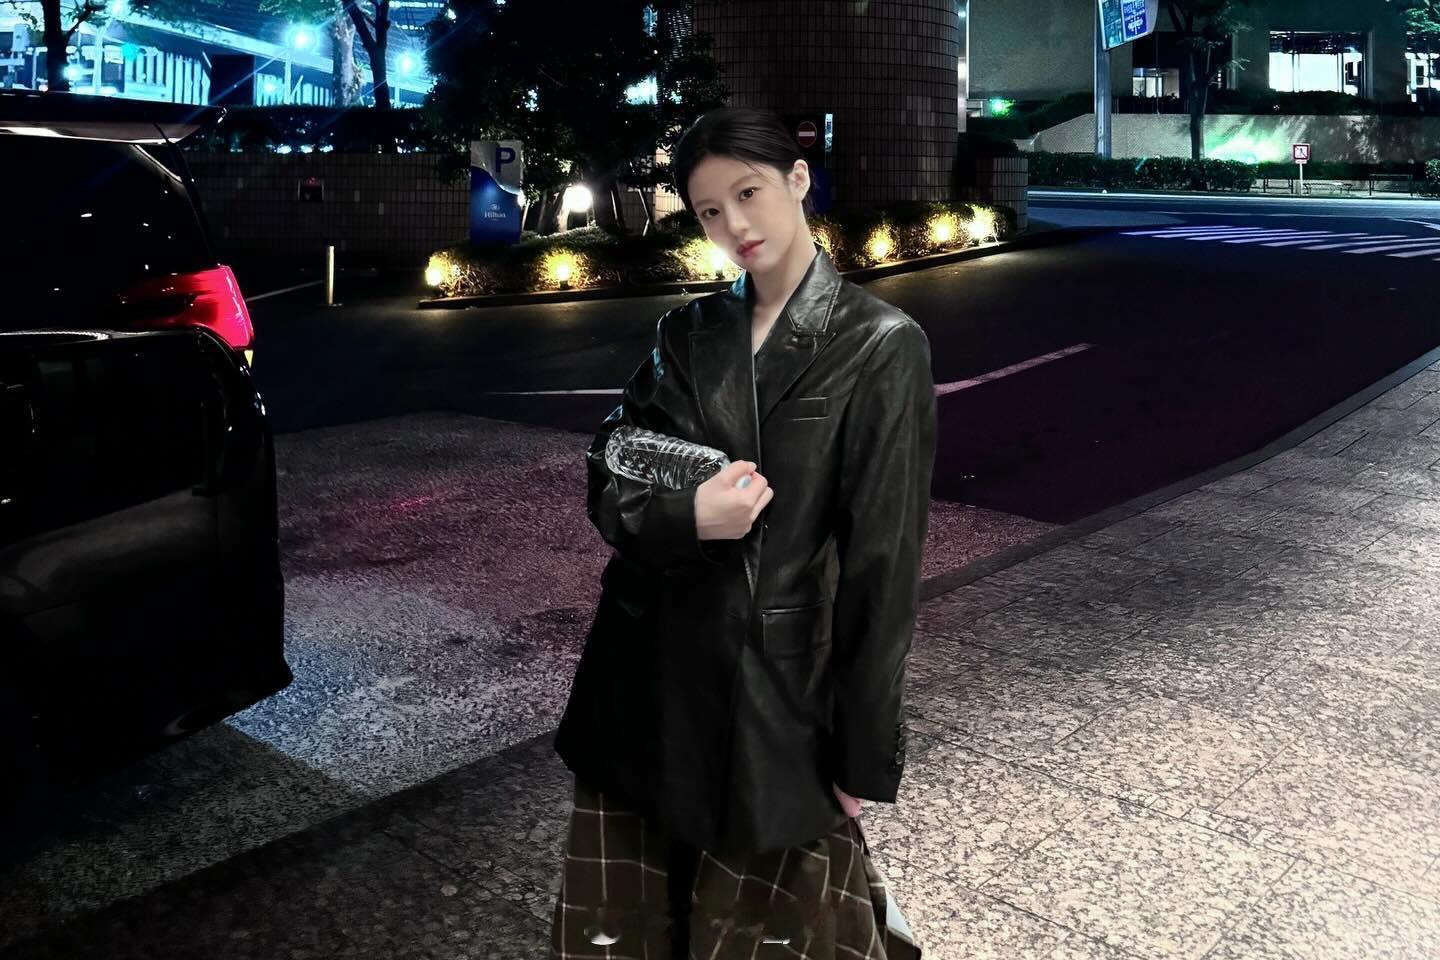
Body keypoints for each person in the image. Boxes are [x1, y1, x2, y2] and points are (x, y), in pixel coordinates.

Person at [550, 106, 936, 959]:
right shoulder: (687, 332)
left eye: (749, 193)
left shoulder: (879, 344)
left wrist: (862, 756)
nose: (735, 225)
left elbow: (882, 566)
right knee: (629, 928)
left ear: (797, 180)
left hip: (773, 700)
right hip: (643, 676)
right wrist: (690, 516)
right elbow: (610, 468)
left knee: (770, 931)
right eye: (710, 210)